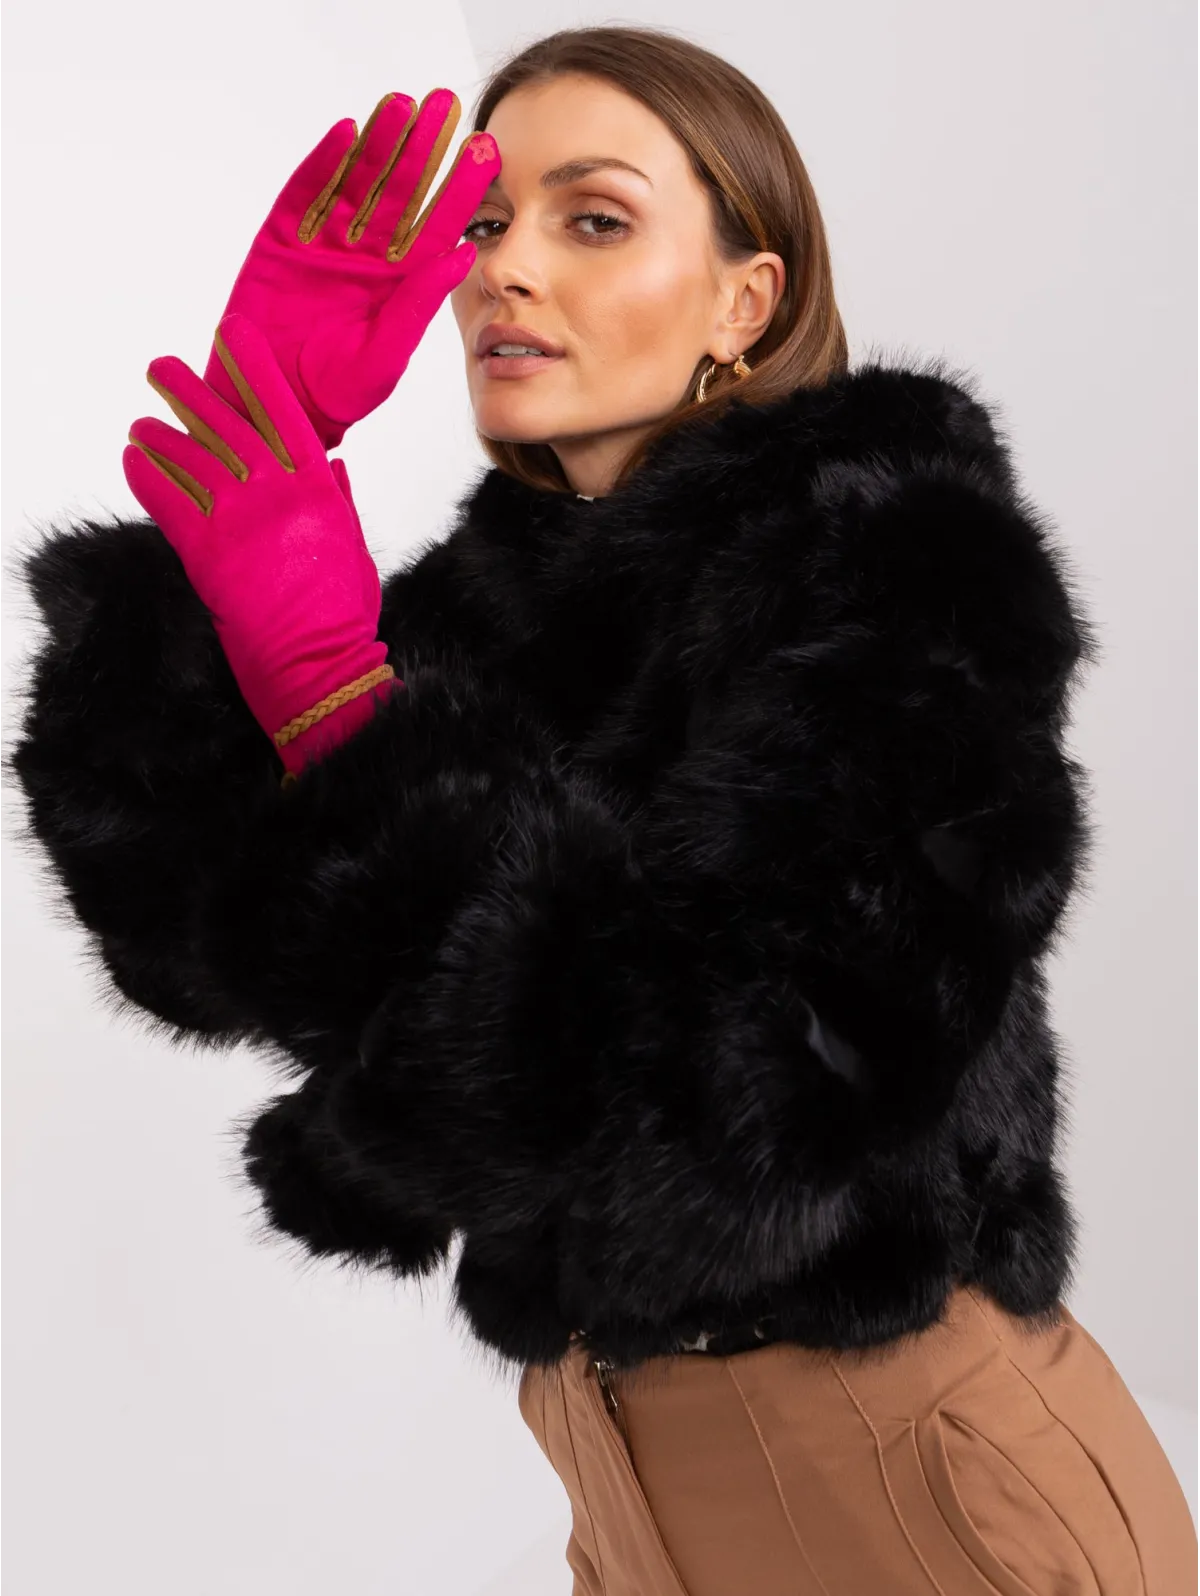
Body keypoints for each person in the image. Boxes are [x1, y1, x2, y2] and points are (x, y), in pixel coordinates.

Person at [7, 23, 1196, 1595]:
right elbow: (190, 937)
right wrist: (254, 462)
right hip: (624, 1479)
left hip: (900, 1473)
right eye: (485, 221)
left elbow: (726, 1125)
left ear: (744, 302)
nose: (505, 269)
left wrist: (336, 695)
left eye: (594, 218)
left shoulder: (906, 580)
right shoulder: (503, 608)